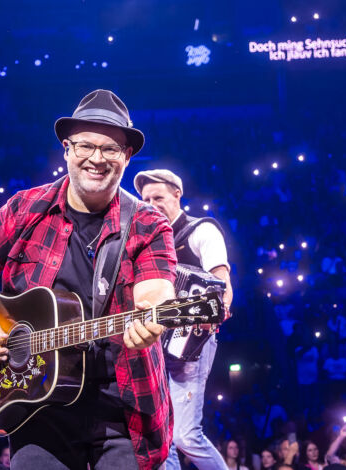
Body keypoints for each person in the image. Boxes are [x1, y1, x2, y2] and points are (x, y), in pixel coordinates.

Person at [0, 89, 177, 470]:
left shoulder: (148, 224)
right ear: (67, 149)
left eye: (111, 149)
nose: (96, 158)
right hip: (37, 414)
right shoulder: (26, 208)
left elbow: (157, 289)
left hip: (122, 415)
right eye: (85, 146)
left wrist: (155, 315)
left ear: (127, 156)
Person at [134, 169, 233, 470]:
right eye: (146, 199)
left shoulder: (200, 230)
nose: (151, 203)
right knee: (160, 435)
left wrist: (218, 312)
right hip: (154, 343)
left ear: (177, 194)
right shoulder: (146, 238)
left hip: (191, 342)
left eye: (158, 197)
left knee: (186, 436)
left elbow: (221, 278)